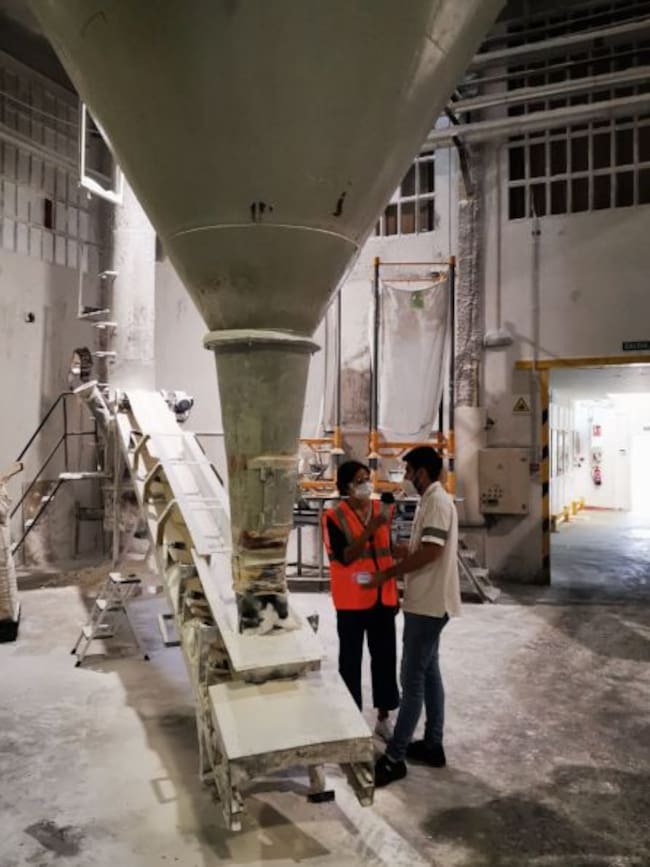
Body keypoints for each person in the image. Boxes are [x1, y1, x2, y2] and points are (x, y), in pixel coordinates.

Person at [371, 446, 461, 787]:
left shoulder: (437, 501)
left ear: (423, 472)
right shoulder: (430, 500)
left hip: (428, 604)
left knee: (411, 681)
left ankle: (394, 758)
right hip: (428, 603)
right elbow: (421, 546)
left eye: (408, 472)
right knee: (429, 673)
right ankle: (433, 744)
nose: (405, 478)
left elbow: (432, 551)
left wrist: (388, 573)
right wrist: (392, 550)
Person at [322, 460, 400, 740]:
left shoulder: (381, 510)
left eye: (367, 478)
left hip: (382, 598)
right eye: (359, 480)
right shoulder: (334, 517)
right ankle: (351, 718)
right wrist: (370, 529)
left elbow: (386, 551)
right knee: (350, 662)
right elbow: (346, 556)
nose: (366, 484)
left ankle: (383, 717)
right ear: (345, 487)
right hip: (351, 602)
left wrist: (395, 591)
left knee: (385, 659)